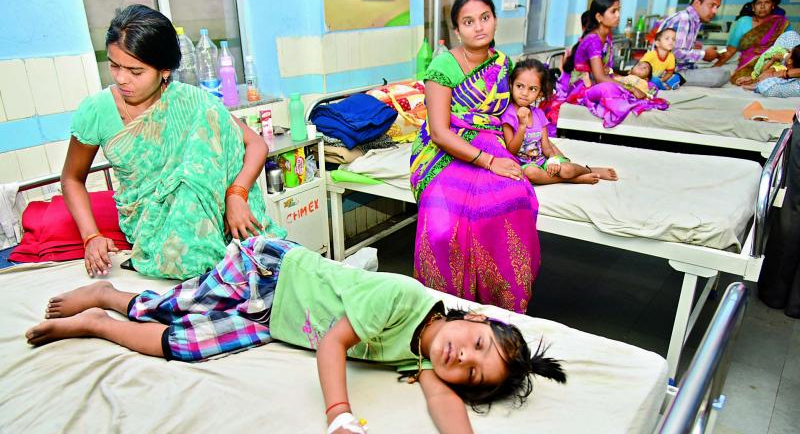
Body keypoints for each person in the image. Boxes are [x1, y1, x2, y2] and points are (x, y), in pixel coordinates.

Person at [25, 236, 567, 433]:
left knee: (182, 345)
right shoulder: (402, 299)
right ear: (472, 318)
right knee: (173, 307)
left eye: (471, 373)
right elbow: (333, 342)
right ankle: (105, 296)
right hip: (269, 272)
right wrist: (339, 414)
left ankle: (98, 326)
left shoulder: (426, 358)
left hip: (275, 323)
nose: (462, 358)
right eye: (476, 346)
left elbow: (443, 403)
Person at [61, 5, 284, 280]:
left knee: (209, 129)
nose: (121, 79)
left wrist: (236, 194)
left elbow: (256, 145)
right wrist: (91, 236)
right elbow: (72, 178)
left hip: (215, 216)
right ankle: (215, 264)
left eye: (135, 71)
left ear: (164, 71)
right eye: (114, 65)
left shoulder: (194, 102)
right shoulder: (96, 111)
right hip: (149, 226)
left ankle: (224, 254)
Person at [410, 0, 540, 314]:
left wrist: (529, 141)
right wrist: (489, 161)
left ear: (495, 20)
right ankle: (443, 307)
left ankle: (501, 304)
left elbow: (505, 117)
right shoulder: (443, 65)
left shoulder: (504, 64)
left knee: (513, 197)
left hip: (491, 142)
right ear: (457, 30)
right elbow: (440, 132)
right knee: (443, 226)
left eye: (485, 18)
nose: (479, 27)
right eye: (468, 22)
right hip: (444, 152)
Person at [502, 59, 618, 186]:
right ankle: (575, 179)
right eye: (520, 86)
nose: (525, 93)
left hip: (543, 161)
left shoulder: (538, 114)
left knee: (567, 169)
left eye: (532, 89)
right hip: (525, 166)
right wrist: (522, 126)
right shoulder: (508, 115)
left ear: (540, 93)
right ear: (511, 84)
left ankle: (589, 169)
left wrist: (552, 159)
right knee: (531, 173)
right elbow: (511, 151)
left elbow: (546, 146)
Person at [657, 0, 728, 87]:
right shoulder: (684, 19)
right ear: (697, 3)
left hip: (679, 68)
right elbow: (674, 53)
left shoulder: (692, 20)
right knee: (722, 74)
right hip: (669, 72)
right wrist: (704, 54)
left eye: (717, 7)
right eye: (712, 5)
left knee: (718, 72)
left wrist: (700, 50)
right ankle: (669, 80)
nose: (714, 11)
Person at [715, 0, 791, 84]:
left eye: (767, 2)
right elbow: (731, 50)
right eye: (759, 3)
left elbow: (790, 47)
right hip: (747, 65)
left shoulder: (781, 23)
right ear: (753, 7)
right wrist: (715, 67)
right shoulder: (743, 21)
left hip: (773, 64)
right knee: (741, 80)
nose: (762, 6)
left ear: (773, 6)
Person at [557, 0, 621, 101]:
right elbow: (599, 77)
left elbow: (607, 70)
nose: (618, 15)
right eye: (613, 11)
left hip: (596, 84)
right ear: (599, 17)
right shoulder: (593, 40)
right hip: (582, 90)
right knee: (615, 90)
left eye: (619, 10)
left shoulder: (607, 37)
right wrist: (629, 88)